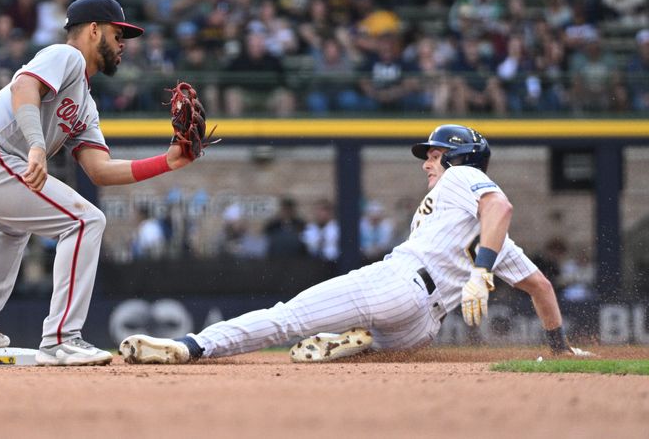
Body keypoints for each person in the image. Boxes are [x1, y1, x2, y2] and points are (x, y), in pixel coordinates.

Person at [119, 124, 593, 364]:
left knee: (286, 317)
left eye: (434, 154)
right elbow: (542, 288)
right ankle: (356, 343)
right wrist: (558, 348)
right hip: (421, 331)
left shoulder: (463, 177)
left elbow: (501, 208)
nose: (428, 162)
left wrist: (482, 271)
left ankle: (190, 347)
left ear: (461, 158)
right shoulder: (481, 226)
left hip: (399, 284)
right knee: (375, 339)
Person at [0, 0, 196, 366]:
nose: (123, 45)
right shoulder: (66, 55)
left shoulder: (85, 103)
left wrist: (167, 162)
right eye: (118, 35)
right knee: (86, 219)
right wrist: (37, 147)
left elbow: (100, 170)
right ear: (93, 30)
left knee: (14, 229)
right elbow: (23, 86)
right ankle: (61, 338)